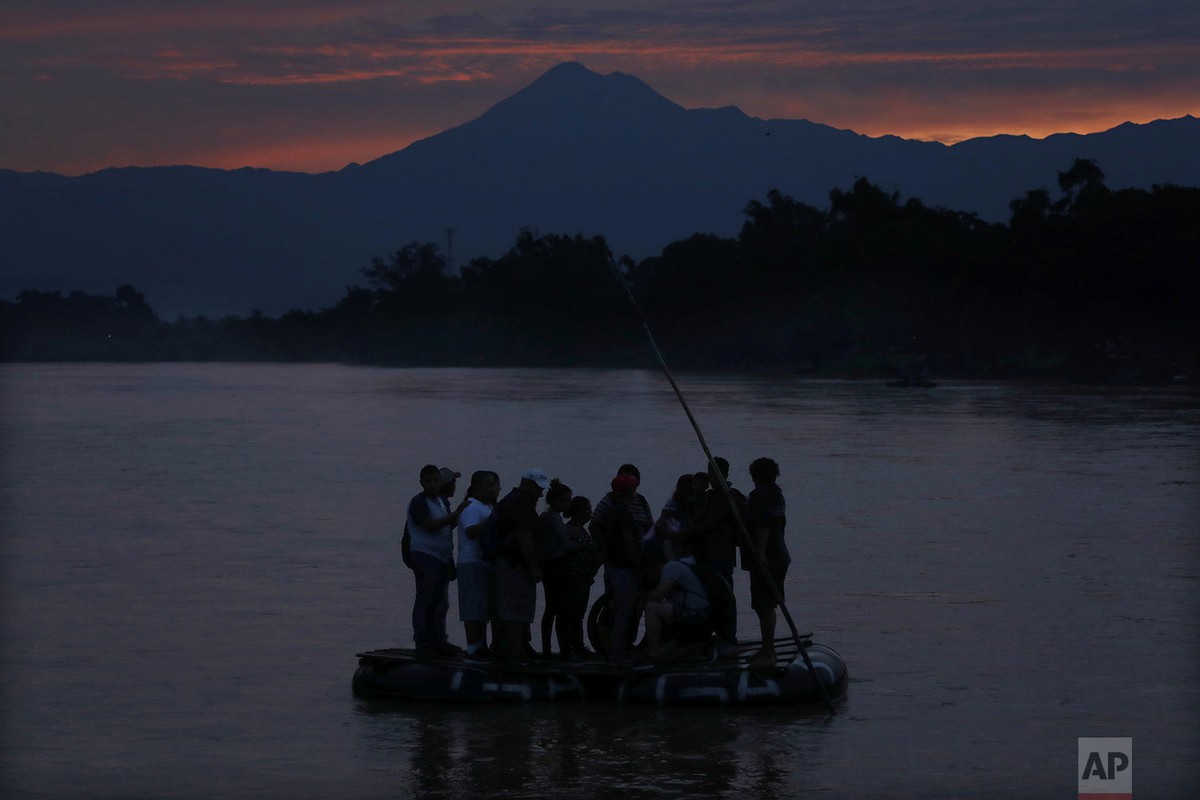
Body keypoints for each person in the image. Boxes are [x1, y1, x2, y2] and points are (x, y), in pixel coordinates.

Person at [590, 464, 655, 664]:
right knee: (624, 609)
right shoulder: (619, 511)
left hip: (627, 564)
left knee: (630, 608)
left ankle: (624, 646)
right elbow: (627, 541)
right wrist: (638, 565)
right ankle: (617, 652)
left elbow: (649, 528)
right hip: (622, 566)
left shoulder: (636, 503)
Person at [406, 464, 467, 658]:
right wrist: (456, 514)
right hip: (424, 556)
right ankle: (423, 642)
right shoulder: (418, 502)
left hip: (441, 557)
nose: (432, 484)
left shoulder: (442, 501)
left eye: (435, 480)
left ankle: (439, 640)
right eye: (428, 481)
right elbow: (430, 526)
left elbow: (447, 528)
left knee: (440, 602)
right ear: (421, 483)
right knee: (426, 599)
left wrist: (460, 513)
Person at [492, 468, 550, 662]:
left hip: (510, 564)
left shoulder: (513, 500)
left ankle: (515, 648)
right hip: (515, 565)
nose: (541, 493)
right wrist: (534, 566)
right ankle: (516, 654)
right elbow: (524, 537)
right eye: (538, 488)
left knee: (513, 608)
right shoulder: (521, 504)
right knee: (516, 610)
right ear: (526, 484)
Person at [689, 456, 745, 645]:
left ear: (725, 474)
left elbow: (707, 523)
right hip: (707, 555)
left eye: (715, 474)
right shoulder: (710, 496)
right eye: (710, 474)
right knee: (711, 595)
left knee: (725, 595)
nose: (712, 478)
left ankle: (728, 635)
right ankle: (715, 632)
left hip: (721, 555)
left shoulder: (726, 497)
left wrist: (687, 530)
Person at [640, 532, 714, 663]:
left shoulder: (673, 566)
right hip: (704, 620)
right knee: (666, 655)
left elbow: (659, 594)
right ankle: (695, 647)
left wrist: (640, 601)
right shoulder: (691, 564)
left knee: (651, 607)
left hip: (694, 618)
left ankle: (653, 654)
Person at [745, 457, 791, 669]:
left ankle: (769, 651)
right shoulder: (775, 492)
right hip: (779, 554)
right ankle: (767, 648)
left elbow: (763, 526)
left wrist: (760, 553)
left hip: (769, 556)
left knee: (764, 604)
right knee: (765, 604)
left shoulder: (762, 496)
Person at [456, 470, 501, 662]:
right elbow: (471, 530)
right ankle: (473, 648)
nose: (494, 489)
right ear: (476, 487)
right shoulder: (472, 506)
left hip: (483, 563)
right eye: (488, 486)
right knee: (473, 607)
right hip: (471, 562)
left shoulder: (487, 506)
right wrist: (493, 523)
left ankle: (481, 645)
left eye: (494, 485)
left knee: (483, 608)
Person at [536, 479, 574, 657]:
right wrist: (585, 546)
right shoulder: (552, 518)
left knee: (552, 608)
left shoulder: (547, 516)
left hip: (549, 565)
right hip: (556, 566)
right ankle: (562, 648)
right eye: (565, 500)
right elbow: (565, 544)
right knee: (559, 608)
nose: (568, 504)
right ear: (555, 501)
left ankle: (547, 647)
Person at [559, 495, 600, 659]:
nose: (590, 513)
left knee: (578, 613)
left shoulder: (581, 529)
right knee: (571, 613)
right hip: (573, 579)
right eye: (588, 510)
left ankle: (576, 644)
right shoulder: (571, 531)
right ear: (580, 512)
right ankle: (569, 647)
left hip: (583, 578)